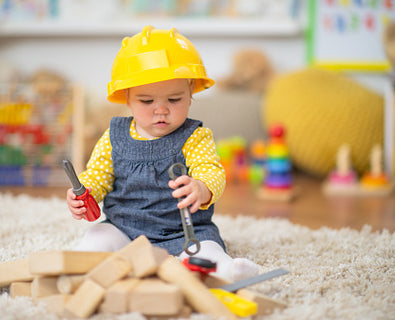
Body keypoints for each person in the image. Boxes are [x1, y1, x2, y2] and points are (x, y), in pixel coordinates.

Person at [66, 25, 259, 281]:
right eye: (147, 101)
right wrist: (85, 192)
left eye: (174, 99)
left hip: (185, 231)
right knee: (96, 238)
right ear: (127, 98)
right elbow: (98, 175)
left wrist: (202, 188)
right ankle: (82, 271)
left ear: (191, 94)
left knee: (207, 250)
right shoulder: (113, 136)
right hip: (124, 228)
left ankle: (227, 271)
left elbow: (211, 170)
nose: (161, 110)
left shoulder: (195, 136)